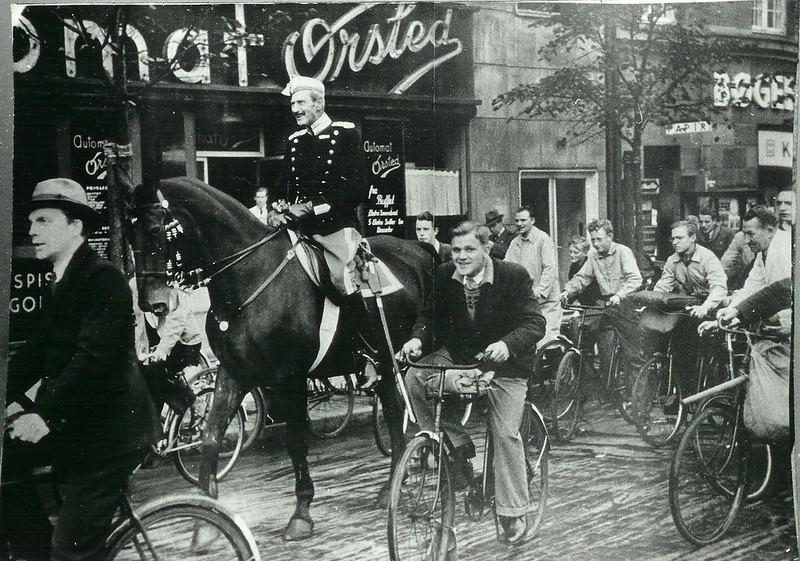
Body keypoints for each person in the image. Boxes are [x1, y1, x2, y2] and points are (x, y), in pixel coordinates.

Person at [2, 178, 158, 561]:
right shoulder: (60, 280)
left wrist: (44, 416)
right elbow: (37, 353)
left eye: (43, 220)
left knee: (70, 549)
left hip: (109, 436)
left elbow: (93, 360)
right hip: (81, 423)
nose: (31, 230)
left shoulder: (102, 278)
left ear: (76, 227)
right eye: (31, 221)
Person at [399, 221, 545, 544]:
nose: (462, 257)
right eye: (457, 250)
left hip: (506, 367)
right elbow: (429, 317)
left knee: (506, 432)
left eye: (470, 250)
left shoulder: (512, 276)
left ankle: (513, 513)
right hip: (462, 358)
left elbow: (535, 323)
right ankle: (455, 446)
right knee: (415, 378)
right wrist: (418, 341)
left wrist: (507, 345)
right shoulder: (444, 275)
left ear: (486, 248)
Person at [268, 75, 367, 299]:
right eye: (292, 104)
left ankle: (362, 332)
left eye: (300, 103)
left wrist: (309, 207)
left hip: (335, 229)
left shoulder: (345, 134)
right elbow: (280, 186)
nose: (295, 109)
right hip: (298, 232)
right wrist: (274, 210)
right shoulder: (295, 141)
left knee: (342, 281)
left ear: (319, 103)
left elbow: (356, 189)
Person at [560, 219, 644, 382]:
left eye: (599, 239)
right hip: (606, 305)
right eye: (593, 240)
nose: (596, 244)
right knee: (584, 333)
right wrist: (567, 291)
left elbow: (635, 279)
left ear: (610, 236)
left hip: (625, 303)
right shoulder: (592, 256)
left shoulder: (623, 252)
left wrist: (620, 295)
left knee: (632, 353)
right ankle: (594, 385)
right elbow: (582, 277)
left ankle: (637, 399)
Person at [647, 220, 727, 385]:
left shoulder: (707, 258)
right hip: (686, 307)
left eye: (679, 238)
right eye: (673, 239)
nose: (675, 242)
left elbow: (719, 287)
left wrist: (705, 307)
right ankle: (669, 382)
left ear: (693, 238)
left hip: (708, 307)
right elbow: (663, 286)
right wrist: (651, 299)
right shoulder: (672, 260)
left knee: (690, 341)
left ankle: (694, 385)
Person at [131, 279, 204, 413]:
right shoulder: (135, 285)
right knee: (142, 374)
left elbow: (175, 323)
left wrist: (162, 350)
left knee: (154, 374)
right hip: (159, 342)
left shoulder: (170, 286)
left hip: (185, 344)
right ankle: (155, 421)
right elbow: (138, 322)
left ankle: (190, 400)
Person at [726, 205, 792, 326]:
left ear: (770, 231)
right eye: (744, 234)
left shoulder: (786, 248)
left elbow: (789, 295)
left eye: (751, 234)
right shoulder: (762, 251)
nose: (746, 241)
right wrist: (731, 310)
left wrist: (780, 318)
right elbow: (752, 286)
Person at [504, 206, 562, 343]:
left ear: (533, 220)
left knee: (548, 340)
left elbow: (550, 268)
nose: (519, 224)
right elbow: (507, 266)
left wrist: (540, 291)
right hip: (527, 299)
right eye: (517, 220)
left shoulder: (543, 239)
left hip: (546, 301)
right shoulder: (515, 242)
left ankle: (559, 362)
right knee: (528, 338)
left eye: (523, 220)